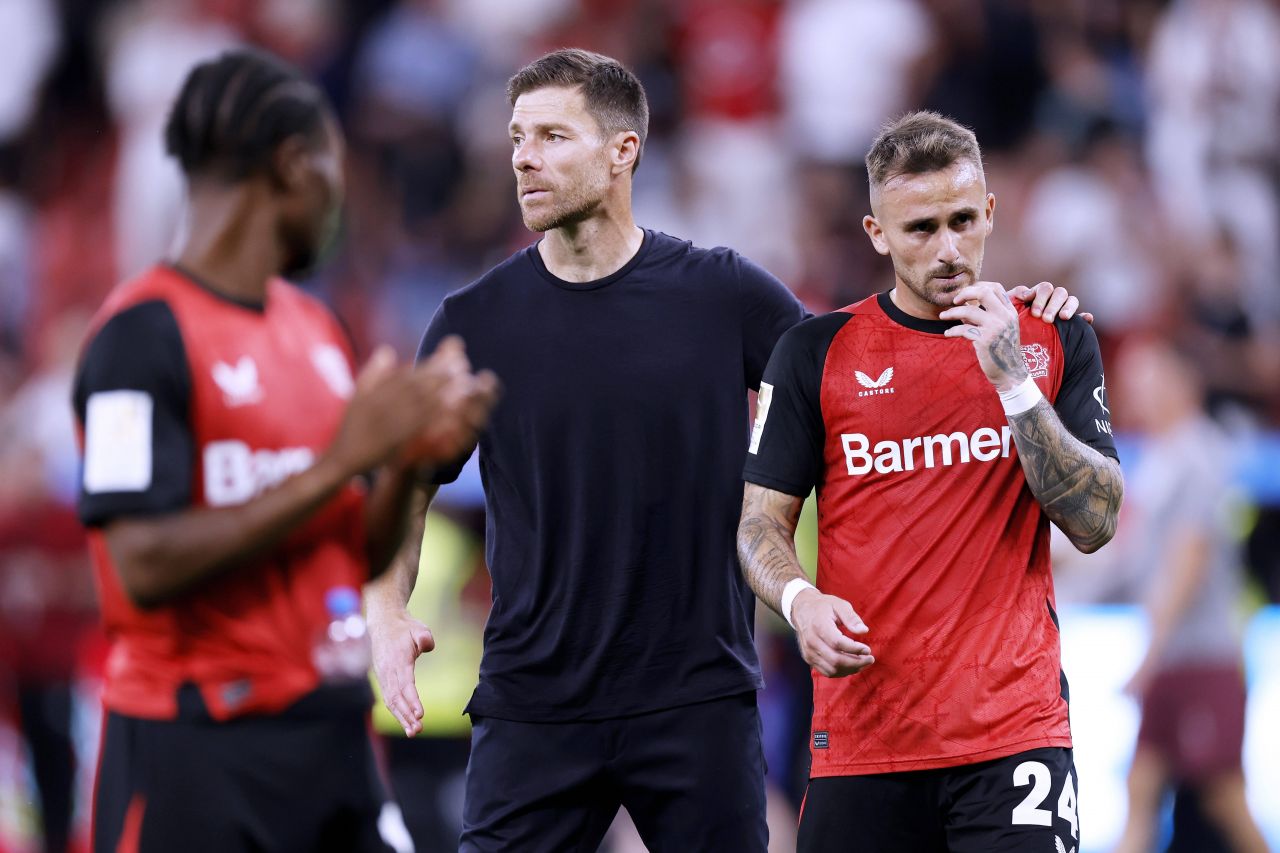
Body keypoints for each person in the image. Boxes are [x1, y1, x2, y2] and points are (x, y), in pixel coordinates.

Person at [366, 53, 1085, 852]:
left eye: (552, 136)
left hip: (697, 701)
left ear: (622, 151)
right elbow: (409, 480)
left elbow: (879, 353)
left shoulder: (722, 294)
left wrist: (1024, 311)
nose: (524, 157)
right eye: (516, 138)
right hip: (534, 703)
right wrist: (387, 609)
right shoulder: (474, 321)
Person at [73, 49, 497, 853]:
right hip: (195, 746)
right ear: (294, 165)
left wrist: (411, 458)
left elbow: (352, 550)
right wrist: (339, 462)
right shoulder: (140, 337)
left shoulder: (316, 332)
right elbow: (142, 564)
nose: (343, 197)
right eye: (335, 166)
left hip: (330, 734)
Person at [737, 110, 1123, 853]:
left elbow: (1096, 520)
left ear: (990, 212)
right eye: (919, 229)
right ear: (876, 233)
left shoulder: (1052, 337)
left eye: (962, 220)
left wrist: (1013, 380)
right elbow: (759, 526)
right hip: (865, 741)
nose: (948, 249)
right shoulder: (814, 353)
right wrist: (800, 599)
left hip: (1015, 735)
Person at [1110, 337, 1268, 853]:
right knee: (1141, 787)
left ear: (1182, 384)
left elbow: (1189, 560)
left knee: (1225, 798)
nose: (1138, 393)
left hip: (1202, 654)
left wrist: (1149, 655)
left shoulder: (1198, 454)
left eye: (1149, 380)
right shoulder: (1160, 458)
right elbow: (1136, 558)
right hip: (1176, 655)